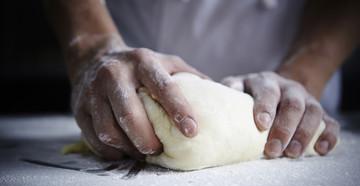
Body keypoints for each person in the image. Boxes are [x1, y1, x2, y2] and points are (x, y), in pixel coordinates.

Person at [45, 0, 360, 161]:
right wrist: (94, 47)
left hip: (290, 73)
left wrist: (303, 74)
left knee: (294, 118)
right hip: (126, 72)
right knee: (119, 116)